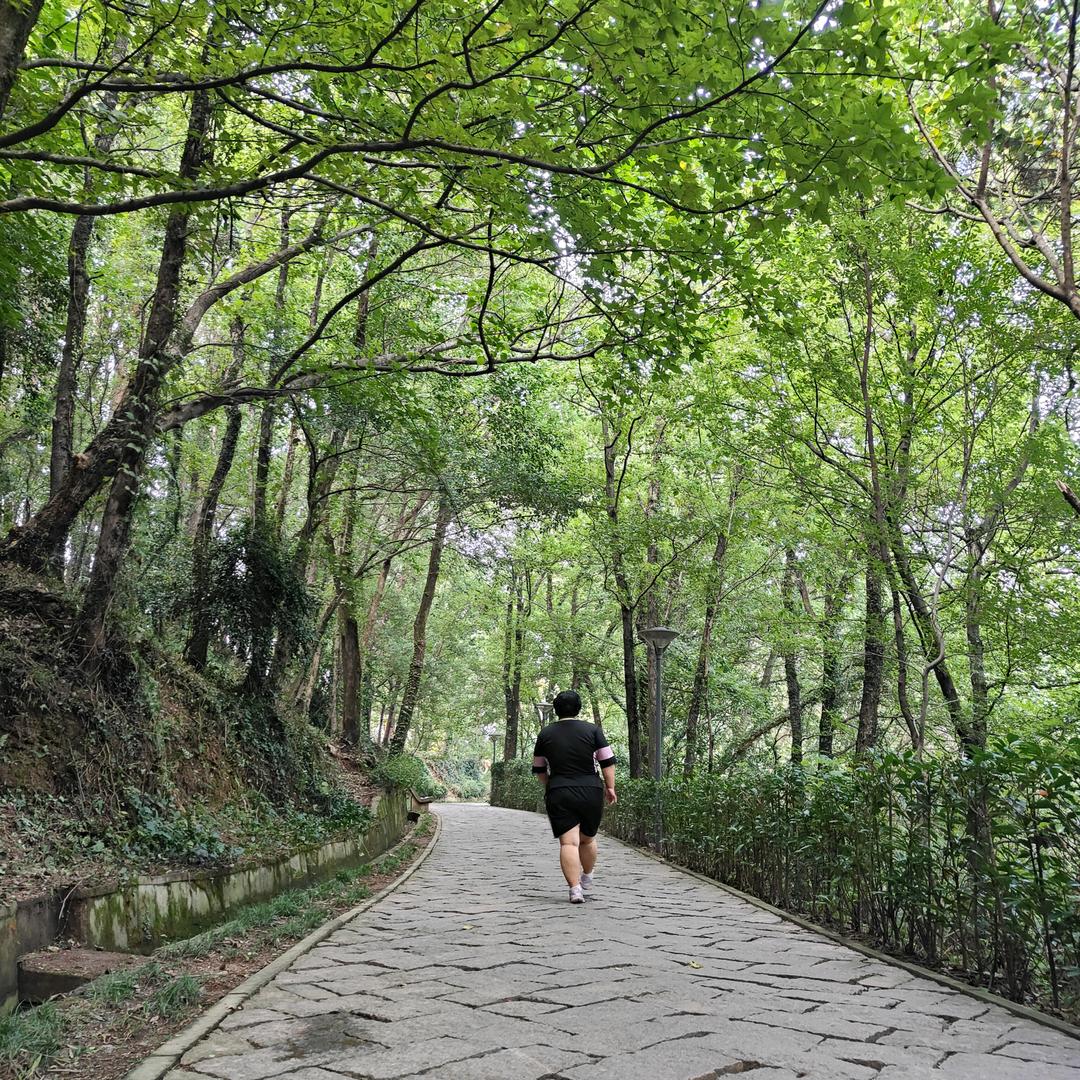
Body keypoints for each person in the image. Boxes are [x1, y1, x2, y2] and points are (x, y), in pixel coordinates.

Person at [532, 689, 617, 903]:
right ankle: (587, 875)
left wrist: (550, 785)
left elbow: (539, 769)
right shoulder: (593, 731)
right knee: (587, 839)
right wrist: (610, 787)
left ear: (556, 709)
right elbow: (607, 762)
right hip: (590, 789)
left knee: (568, 843)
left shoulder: (546, 734)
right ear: (578, 708)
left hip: (559, 790)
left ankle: (575, 889)